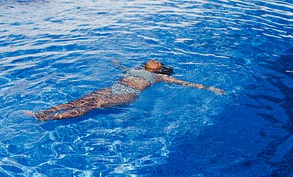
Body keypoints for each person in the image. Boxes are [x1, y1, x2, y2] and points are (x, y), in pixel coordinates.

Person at [30, 59, 225, 121]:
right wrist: (116, 64)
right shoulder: (150, 73)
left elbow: (121, 67)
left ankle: (48, 116)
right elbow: (185, 83)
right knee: (85, 103)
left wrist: (209, 88)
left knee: (87, 103)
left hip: (121, 91)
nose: (156, 64)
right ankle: (47, 115)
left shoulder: (147, 73)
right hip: (119, 91)